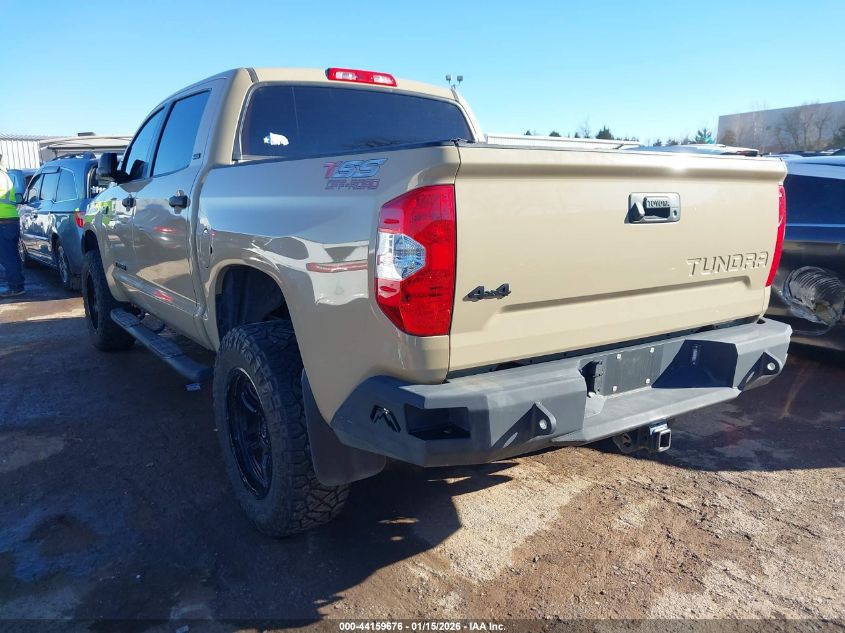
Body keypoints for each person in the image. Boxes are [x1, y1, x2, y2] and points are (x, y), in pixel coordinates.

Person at [0, 162, 25, 298]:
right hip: (11, 219)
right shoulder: (5, 175)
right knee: (13, 256)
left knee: (8, 257)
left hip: (3, 220)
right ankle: (17, 285)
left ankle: (16, 287)